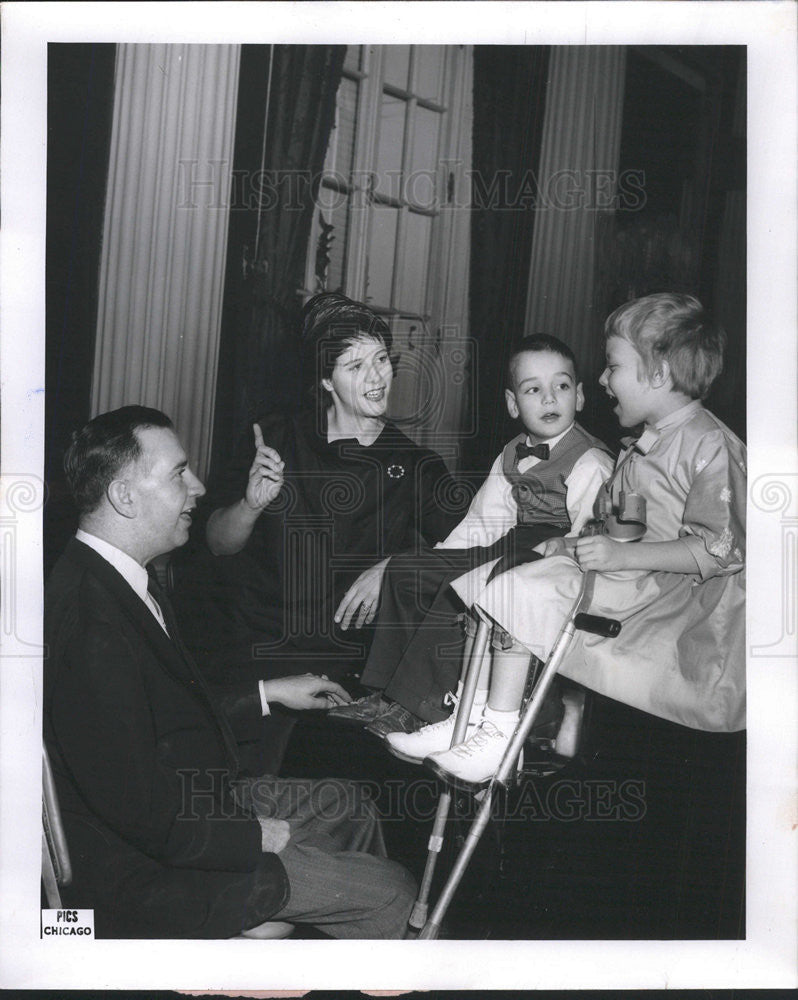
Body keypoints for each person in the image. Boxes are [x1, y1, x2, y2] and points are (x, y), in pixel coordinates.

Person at [44, 406, 416, 938]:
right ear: (124, 496)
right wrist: (252, 836)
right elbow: (138, 813)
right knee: (395, 892)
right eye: (178, 473)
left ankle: (312, 935)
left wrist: (269, 692)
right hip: (142, 875)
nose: (197, 486)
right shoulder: (89, 623)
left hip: (188, 806)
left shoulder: (119, 579)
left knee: (348, 806)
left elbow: (156, 718)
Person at [424, 293, 746, 786]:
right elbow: (627, 522)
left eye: (613, 366)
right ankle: (470, 720)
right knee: (501, 580)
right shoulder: (647, 442)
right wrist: (571, 544)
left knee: (520, 591)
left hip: (674, 600)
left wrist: (619, 552)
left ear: (658, 374)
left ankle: (500, 732)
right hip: (632, 574)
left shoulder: (708, 445)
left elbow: (720, 549)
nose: (600, 380)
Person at [173, 293, 460, 766]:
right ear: (326, 379)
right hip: (256, 645)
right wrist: (249, 504)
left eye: (382, 359)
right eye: (354, 366)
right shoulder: (275, 436)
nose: (376, 377)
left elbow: (472, 547)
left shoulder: (416, 468)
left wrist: (397, 565)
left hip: (344, 666)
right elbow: (217, 544)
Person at [328, 335, 614, 757]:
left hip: (546, 557)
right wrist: (439, 558)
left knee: (463, 590)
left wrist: (466, 570)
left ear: (581, 395)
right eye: (534, 389)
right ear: (513, 404)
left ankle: (425, 707)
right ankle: (386, 694)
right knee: (407, 571)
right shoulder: (511, 454)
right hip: (505, 543)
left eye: (562, 386)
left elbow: (585, 541)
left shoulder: (590, 460)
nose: (550, 398)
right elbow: (484, 520)